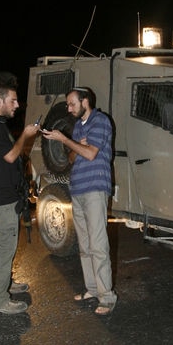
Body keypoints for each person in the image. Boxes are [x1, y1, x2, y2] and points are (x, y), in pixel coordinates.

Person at [42, 87, 117, 315]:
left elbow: (91, 154)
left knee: (98, 244)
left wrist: (66, 140)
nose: (69, 108)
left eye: (72, 103)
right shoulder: (78, 127)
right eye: (67, 104)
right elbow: (71, 157)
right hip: (78, 189)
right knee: (84, 246)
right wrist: (76, 145)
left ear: (85, 101)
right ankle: (92, 289)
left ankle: (107, 297)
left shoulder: (100, 121)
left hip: (95, 188)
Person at [0, 85, 40, 314]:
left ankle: (6, 283)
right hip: (1, 197)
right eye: (13, 101)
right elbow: (11, 155)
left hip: (7, 195)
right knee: (3, 246)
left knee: (7, 243)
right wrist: (25, 134)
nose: (17, 105)